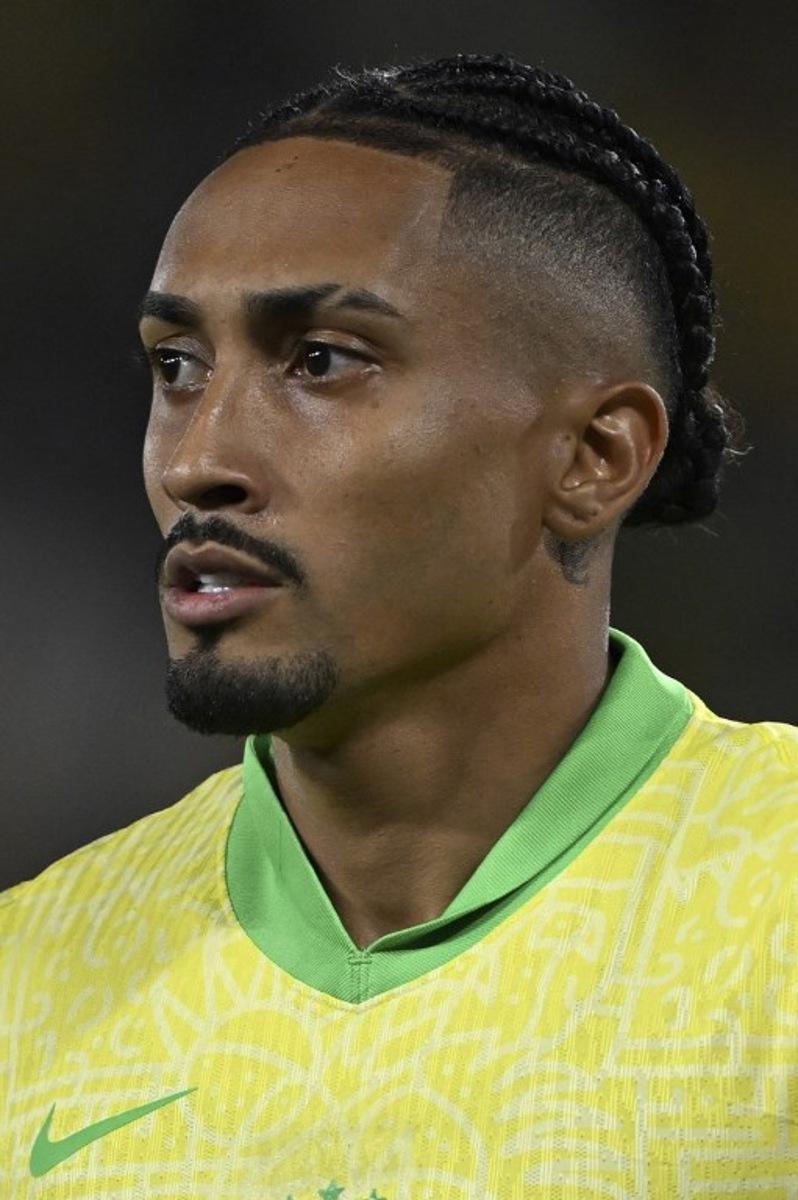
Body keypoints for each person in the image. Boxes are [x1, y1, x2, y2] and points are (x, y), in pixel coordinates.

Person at [2, 50, 795, 1198]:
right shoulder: (32, 978)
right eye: (176, 368)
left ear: (594, 456)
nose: (197, 461)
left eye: (321, 362)